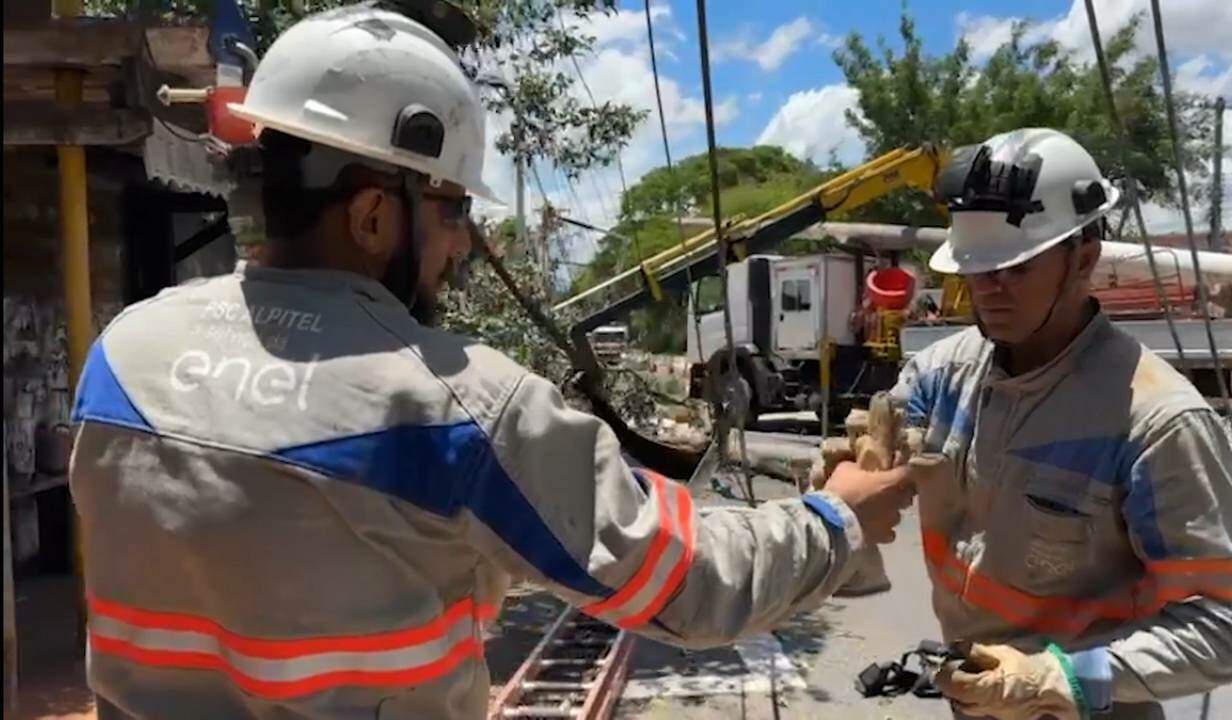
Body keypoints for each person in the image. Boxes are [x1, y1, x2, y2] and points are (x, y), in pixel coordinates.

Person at [67, 3, 913, 718]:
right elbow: (684, 581)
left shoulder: (122, 355)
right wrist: (836, 521)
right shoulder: (454, 408)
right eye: (449, 207)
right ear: (371, 215)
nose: (463, 241)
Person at [895, 128, 1232, 719]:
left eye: (1014, 268)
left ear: (1084, 259)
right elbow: (877, 459)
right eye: (976, 267)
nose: (987, 289)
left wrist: (1058, 677)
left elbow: (1226, 628)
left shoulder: (1155, 421)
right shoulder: (941, 375)